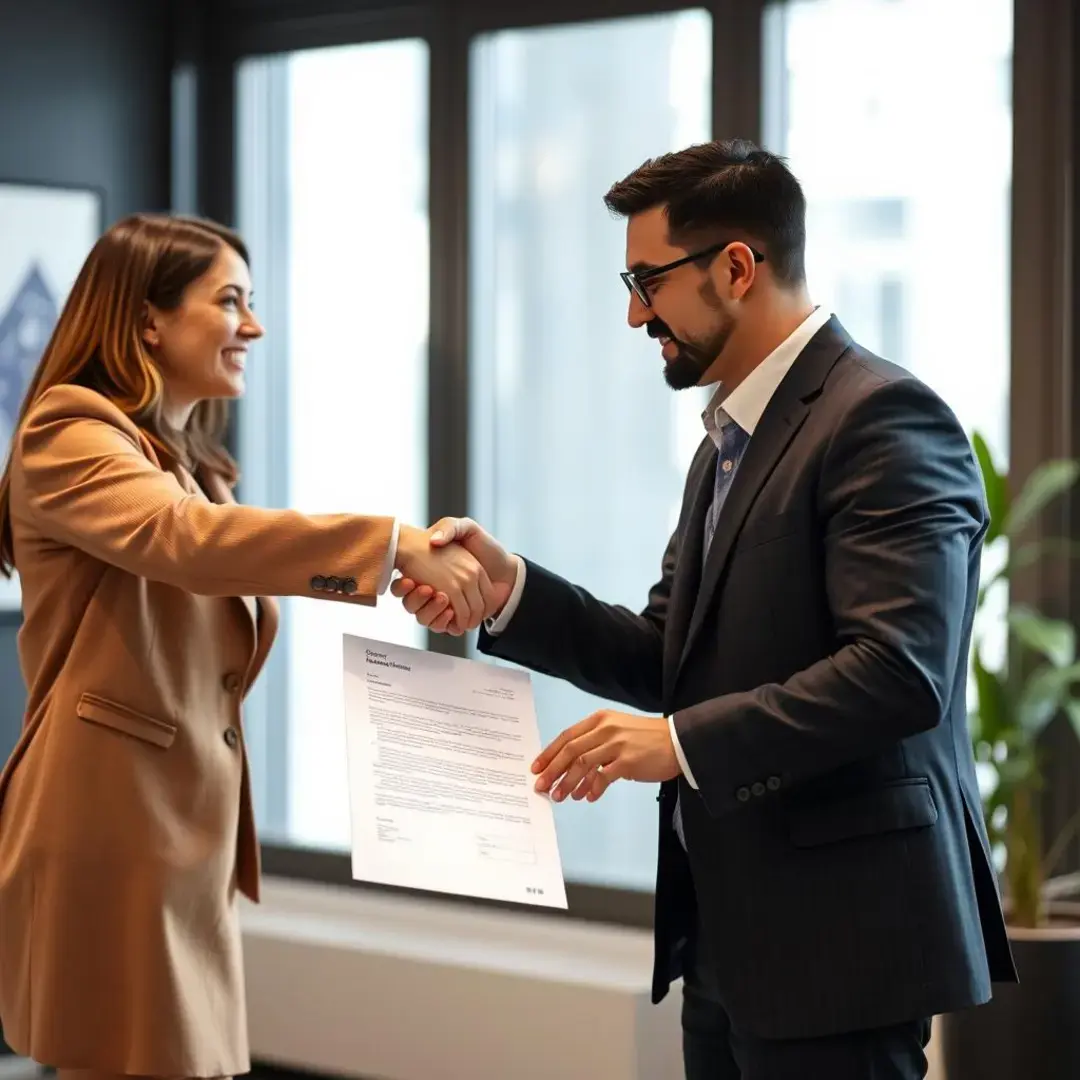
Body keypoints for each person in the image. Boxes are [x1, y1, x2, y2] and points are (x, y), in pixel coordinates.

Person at [392, 139, 1018, 1079]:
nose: (636, 313)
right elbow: (664, 653)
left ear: (736, 266)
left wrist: (676, 744)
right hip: (729, 936)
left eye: (649, 281)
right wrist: (507, 584)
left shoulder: (883, 418)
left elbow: (899, 672)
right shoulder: (727, 440)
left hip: (843, 943)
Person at [0, 212, 501, 1080]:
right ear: (147, 319)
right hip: (113, 828)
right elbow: (189, 541)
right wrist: (391, 548)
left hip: (170, 828)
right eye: (230, 301)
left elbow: (207, 537)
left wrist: (395, 570)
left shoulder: (185, 462)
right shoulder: (68, 433)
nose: (254, 326)